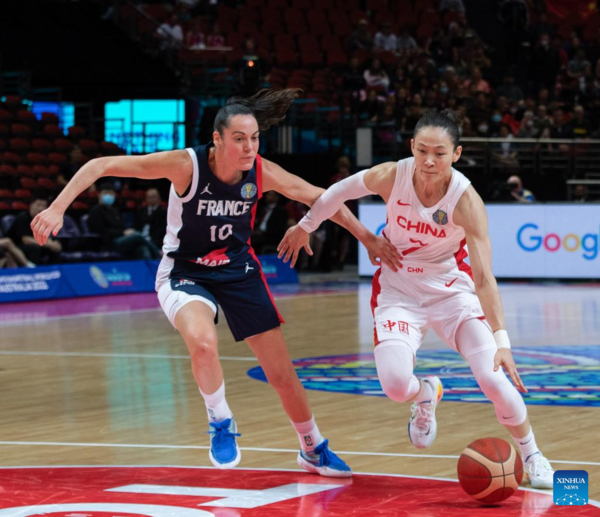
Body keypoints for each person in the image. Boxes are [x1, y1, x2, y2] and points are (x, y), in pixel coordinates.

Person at [31, 88, 399, 478]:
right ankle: (220, 420)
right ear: (218, 139)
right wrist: (57, 208)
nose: (248, 147)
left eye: (254, 138)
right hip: (184, 271)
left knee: (281, 373)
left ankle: (312, 447)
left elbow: (322, 198)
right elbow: (100, 164)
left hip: (238, 270)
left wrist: (368, 236)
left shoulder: (262, 171)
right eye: (239, 139)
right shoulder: (185, 165)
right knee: (203, 344)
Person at [278, 111, 554, 489]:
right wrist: (305, 225)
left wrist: (502, 340)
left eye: (439, 153)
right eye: (422, 150)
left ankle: (533, 456)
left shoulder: (466, 201)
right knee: (393, 385)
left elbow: (484, 278)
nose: (428, 161)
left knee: (494, 380)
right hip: (398, 289)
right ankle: (426, 393)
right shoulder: (392, 175)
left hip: (451, 292)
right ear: (411, 147)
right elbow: (336, 193)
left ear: (456, 154)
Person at [88, 184, 162, 259]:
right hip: (109, 242)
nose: (108, 195)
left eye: (111, 193)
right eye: (105, 193)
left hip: (121, 238)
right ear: (99, 195)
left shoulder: (114, 210)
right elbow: (100, 231)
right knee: (138, 235)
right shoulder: (96, 211)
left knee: (143, 248)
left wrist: (126, 232)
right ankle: (159, 254)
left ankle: (151, 269)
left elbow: (120, 227)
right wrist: (123, 233)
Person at [9, 196, 62, 265]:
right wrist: (48, 245)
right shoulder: (22, 218)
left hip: (35, 244)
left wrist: (53, 244)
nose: (41, 208)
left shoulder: (43, 220)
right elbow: (26, 240)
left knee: (55, 249)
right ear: (31, 205)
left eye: (43, 206)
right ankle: (33, 272)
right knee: (35, 248)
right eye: (38, 205)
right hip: (16, 246)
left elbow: (45, 236)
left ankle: (53, 272)